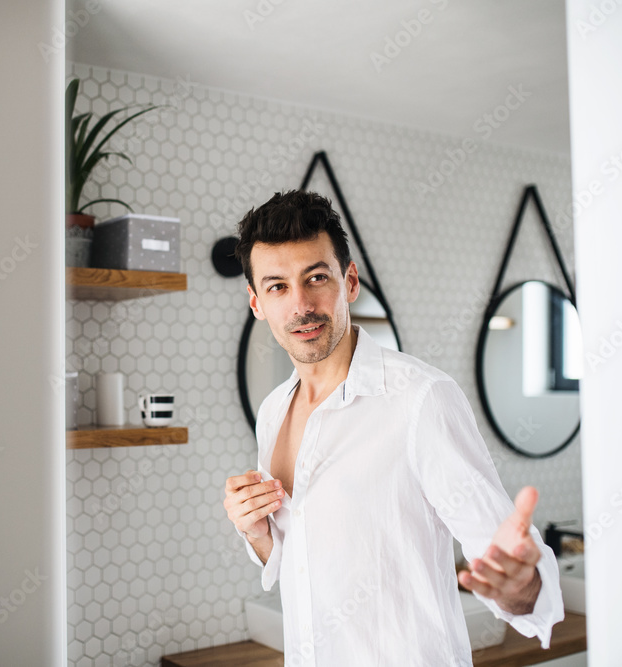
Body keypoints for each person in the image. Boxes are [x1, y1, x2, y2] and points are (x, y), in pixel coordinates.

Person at [222, 190, 563, 666]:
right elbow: (299, 560)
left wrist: (520, 584)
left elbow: (504, 560)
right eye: (278, 287)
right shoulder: (273, 411)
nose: (301, 305)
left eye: (316, 278)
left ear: (350, 280)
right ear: (257, 303)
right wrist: (258, 534)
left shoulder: (422, 399)